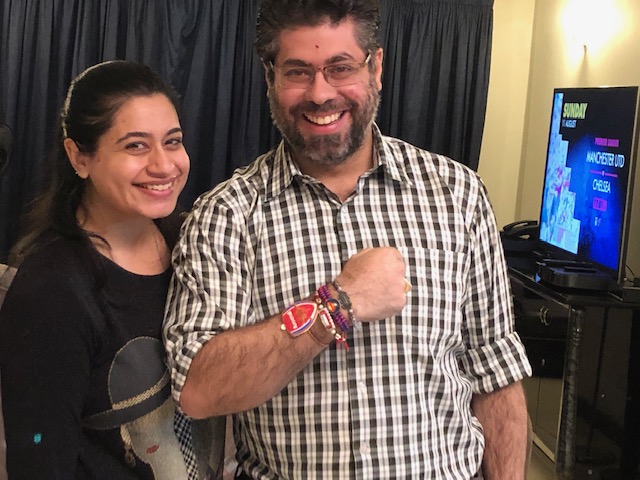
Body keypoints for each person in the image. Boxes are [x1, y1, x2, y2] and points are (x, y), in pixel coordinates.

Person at [163, 0, 533, 478]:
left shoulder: (457, 194)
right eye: (298, 72)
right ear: (270, 77)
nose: (320, 94)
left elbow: (496, 374)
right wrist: (336, 306)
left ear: (375, 68)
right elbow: (198, 388)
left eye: (340, 68)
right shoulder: (226, 214)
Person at [0, 60, 220, 479]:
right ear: (78, 156)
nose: (164, 165)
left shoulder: (193, 245)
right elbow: (39, 458)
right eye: (135, 146)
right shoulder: (52, 289)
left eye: (172, 142)